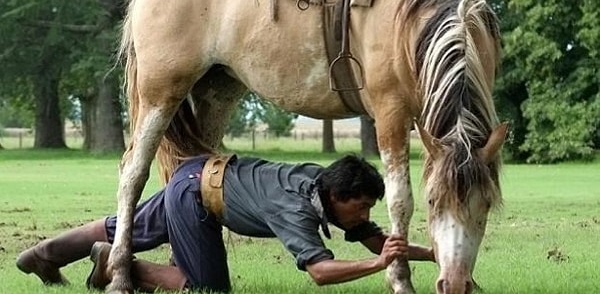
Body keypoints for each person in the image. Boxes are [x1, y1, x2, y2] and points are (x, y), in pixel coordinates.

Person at [17, 154, 434, 292]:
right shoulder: (296, 210)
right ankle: (116, 265)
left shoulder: (320, 179)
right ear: (337, 198)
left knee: (130, 227)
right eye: (360, 207)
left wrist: (437, 255)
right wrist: (377, 267)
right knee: (208, 286)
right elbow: (320, 273)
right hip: (198, 196)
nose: (364, 216)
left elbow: (376, 239)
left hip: (200, 172)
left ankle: (41, 254)